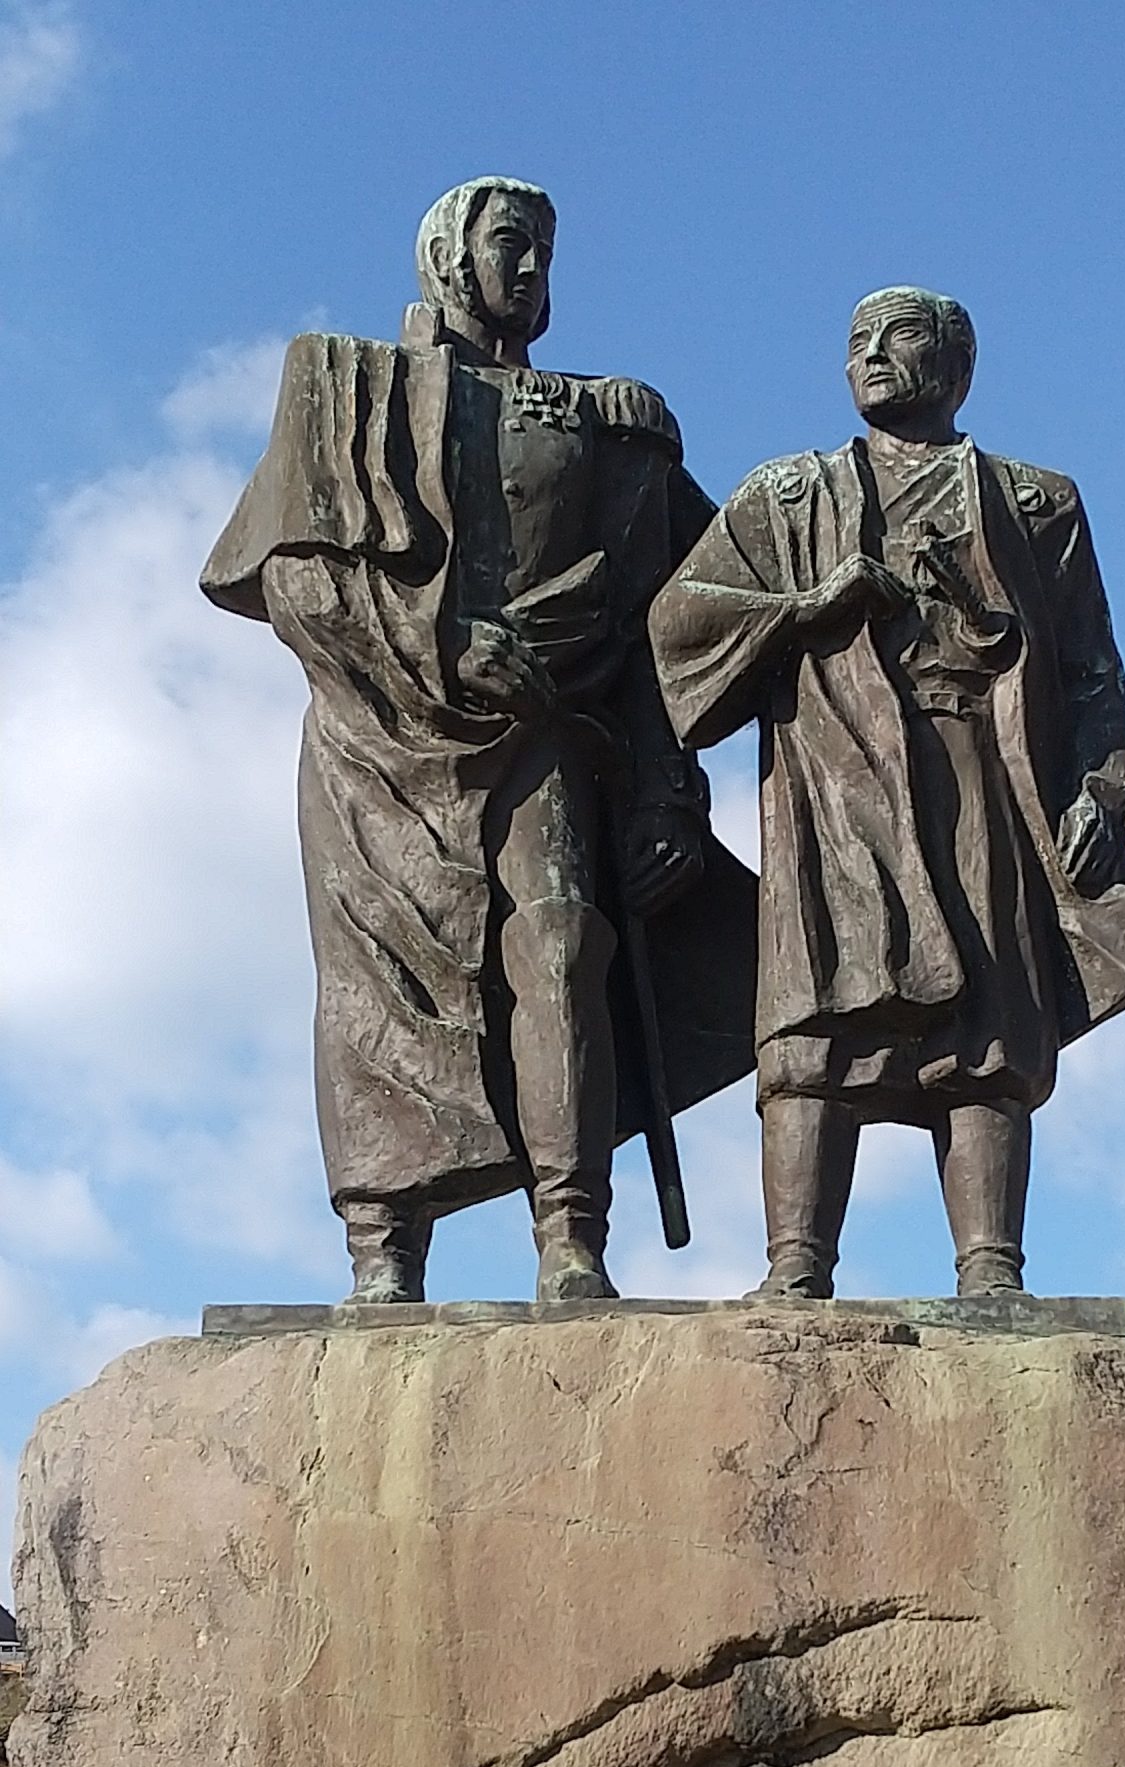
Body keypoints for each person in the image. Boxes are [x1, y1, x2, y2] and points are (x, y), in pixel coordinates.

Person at [203, 176, 755, 1303]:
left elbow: (677, 602)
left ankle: (571, 1236)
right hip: (378, 739)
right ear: (446, 257)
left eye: (548, 252)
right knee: (374, 991)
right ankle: (384, 1254)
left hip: (549, 724)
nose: (535, 272)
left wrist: (666, 783)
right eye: (513, 246)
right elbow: (297, 578)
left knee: (562, 947)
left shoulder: (609, 420)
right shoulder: (344, 388)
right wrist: (442, 645)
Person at [650, 285, 1125, 1298]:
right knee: (814, 1015)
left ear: (954, 366)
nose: (867, 357)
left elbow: (1093, 673)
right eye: (853, 341)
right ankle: (795, 1270)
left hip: (983, 776)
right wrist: (811, 605)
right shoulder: (787, 495)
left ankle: (992, 1275)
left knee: (989, 1024)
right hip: (832, 781)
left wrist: (1101, 793)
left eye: (896, 340)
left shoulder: (1038, 502)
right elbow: (681, 625)